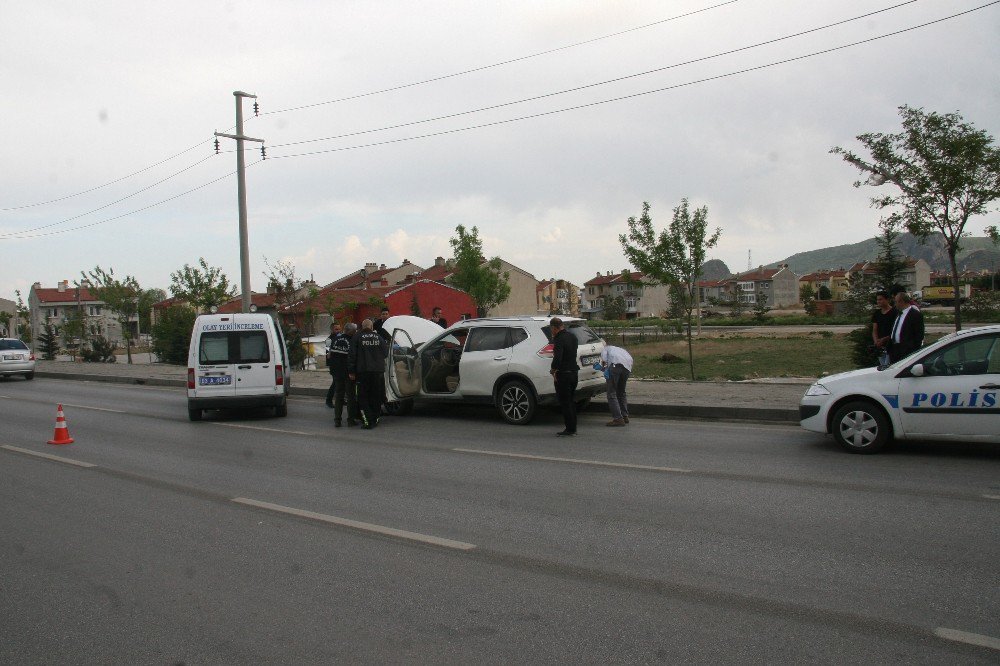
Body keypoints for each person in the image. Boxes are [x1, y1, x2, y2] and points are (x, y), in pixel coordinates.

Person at [348, 318, 389, 429]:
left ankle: (367, 421)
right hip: (378, 372)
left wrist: (351, 371)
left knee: (362, 397)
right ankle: (375, 419)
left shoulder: (357, 337)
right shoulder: (379, 337)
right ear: (371, 327)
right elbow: (386, 353)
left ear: (362, 327)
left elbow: (352, 355)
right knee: (376, 396)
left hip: (363, 372)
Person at [549, 317, 579, 437]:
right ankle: (573, 427)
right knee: (571, 401)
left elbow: (558, 357)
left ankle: (569, 429)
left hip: (564, 374)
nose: (551, 331)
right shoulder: (573, 337)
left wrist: (553, 369)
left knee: (565, 402)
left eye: (551, 329)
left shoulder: (559, 339)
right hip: (574, 372)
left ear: (554, 328)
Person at [600, 344, 633, 426]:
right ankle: (625, 416)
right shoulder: (619, 349)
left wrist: (604, 370)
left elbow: (604, 361)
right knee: (621, 392)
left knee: (611, 393)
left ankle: (618, 419)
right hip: (627, 367)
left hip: (615, 365)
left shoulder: (605, 349)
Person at [888, 291, 924, 363]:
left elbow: (919, 334)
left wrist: (913, 349)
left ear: (902, 302)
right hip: (895, 350)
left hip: (907, 350)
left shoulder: (914, 314)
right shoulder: (898, 314)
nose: (895, 304)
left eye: (896, 302)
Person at [870, 291, 898, 367]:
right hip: (880, 346)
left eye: (881, 299)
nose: (878, 301)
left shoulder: (895, 312)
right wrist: (876, 341)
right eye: (877, 300)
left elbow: (896, 330)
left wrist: (884, 339)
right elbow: (874, 330)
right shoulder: (877, 313)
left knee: (888, 366)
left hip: (891, 345)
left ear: (887, 300)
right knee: (882, 366)